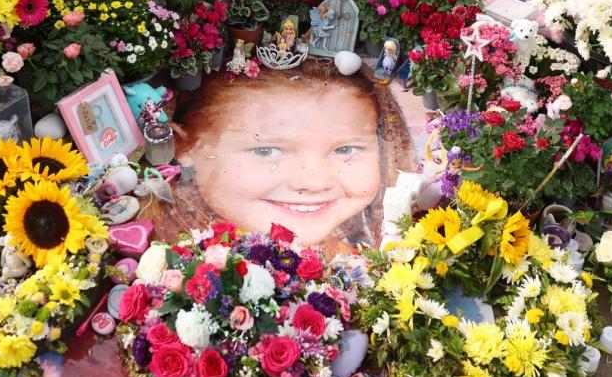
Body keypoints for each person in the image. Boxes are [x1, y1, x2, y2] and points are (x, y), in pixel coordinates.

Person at [143, 60, 414, 255]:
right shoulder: (164, 266)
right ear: (185, 145)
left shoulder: (377, 251)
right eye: (266, 150)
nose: (314, 181)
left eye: (345, 150)